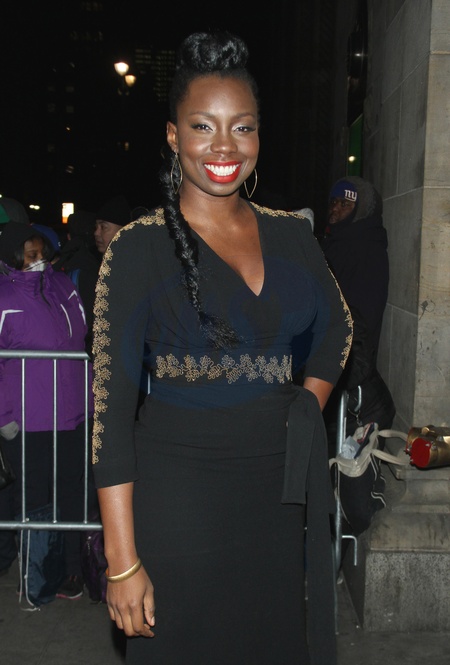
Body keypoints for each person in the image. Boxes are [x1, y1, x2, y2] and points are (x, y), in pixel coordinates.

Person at [91, 31, 352, 665]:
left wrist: (303, 410)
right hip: (178, 504)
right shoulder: (138, 247)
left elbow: (338, 328)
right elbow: (109, 415)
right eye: (203, 126)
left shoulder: (291, 235)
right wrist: (123, 562)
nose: (225, 145)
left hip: (276, 502)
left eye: (243, 127)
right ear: (173, 135)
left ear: (259, 136)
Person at [0, 221, 93, 599]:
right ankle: (37, 576)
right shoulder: (4, 295)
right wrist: (3, 416)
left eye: (41, 252)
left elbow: (81, 337)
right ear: (12, 258)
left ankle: (73, 570)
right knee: (34, 498)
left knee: (73, 490)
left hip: (72, 411)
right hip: (28, 418)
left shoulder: (63, 285)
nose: (39, 260)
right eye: (30, 255)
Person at [320, 177, 395, 442]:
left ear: (361, 210)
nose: (335, 209)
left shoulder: (366, 248)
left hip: (348, 358)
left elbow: (362, 316)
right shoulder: (335, 243)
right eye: (333, 202)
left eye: (345, 204)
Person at [53, 210, 101, 355]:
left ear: (69, 236)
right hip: (84, 346)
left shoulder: (61, 265)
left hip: (68, 344)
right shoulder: (95, 266)